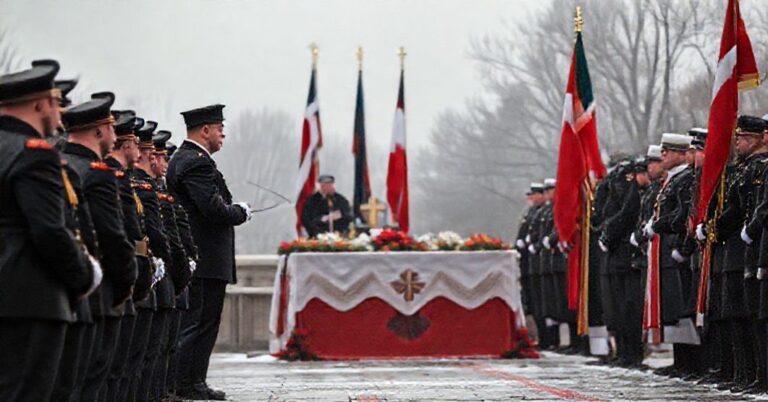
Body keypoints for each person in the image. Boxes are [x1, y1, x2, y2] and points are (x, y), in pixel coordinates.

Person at [0, 59, 97, 402]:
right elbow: (49, 231)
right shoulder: (35, 155)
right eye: (56, 102)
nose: (60, 113)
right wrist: (85, 276)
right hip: (30, 297)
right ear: (39, 104)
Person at [167, 104, 251, 400]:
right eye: (219, 130)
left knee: (204, 322)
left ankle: (192, 381)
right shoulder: (195, 162)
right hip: (203, 257)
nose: (222, 135)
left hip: (204, 257)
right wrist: (239, 212)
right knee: (199, 322)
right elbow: (212, 209)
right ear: (204, 130)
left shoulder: (192, 159)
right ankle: (186, 383)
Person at [61, 91, 138, 401]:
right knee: (90, 380)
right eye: (111, 127)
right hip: (98, 290)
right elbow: (112, 235)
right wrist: (126, 281)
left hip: (70, 286)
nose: (114, 134)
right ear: (98, 131)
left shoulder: (60, 163)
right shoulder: (97, 174)